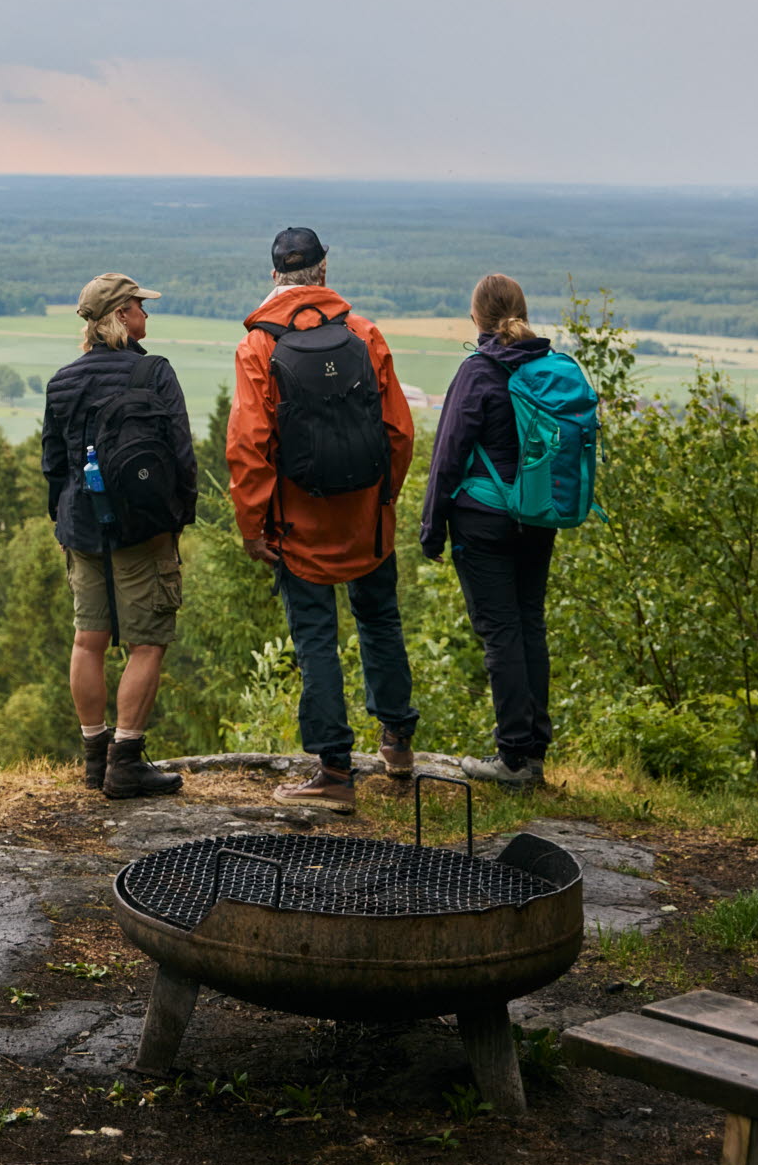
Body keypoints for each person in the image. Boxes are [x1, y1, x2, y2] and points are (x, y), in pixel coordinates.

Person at [228, 227, 417, 809]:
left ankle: (334, 773)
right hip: (366, 521)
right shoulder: (363, 334)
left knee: (316, 640)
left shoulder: (258, 346)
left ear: (275, 276)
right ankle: (398, 746)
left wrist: (252, 527)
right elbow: (399, 432)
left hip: (297, 526)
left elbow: (249, 445)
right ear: (324, 271)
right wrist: (384, 498)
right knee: (380, 622)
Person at [42, 272, 198, 799]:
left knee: (88, 639)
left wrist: (64, 522)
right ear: (120, 317)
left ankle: (93, 759)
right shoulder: (153, 372)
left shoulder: (62, 380)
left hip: (81, 527)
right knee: (147, 641)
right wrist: (179, 518)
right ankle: (125, 762)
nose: (146, 316)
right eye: (139, 307)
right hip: (144, 528)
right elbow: (180, 454)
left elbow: (54, 464)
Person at [419, 272, 556, 788]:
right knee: (529, 625)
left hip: (484, 520)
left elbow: (447, 455)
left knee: (501, 633)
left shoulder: (479, 372)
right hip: (538, 517)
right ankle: (534, 750)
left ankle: (514, 758)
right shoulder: (544, 365)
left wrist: (432, 529)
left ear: (476, 318)